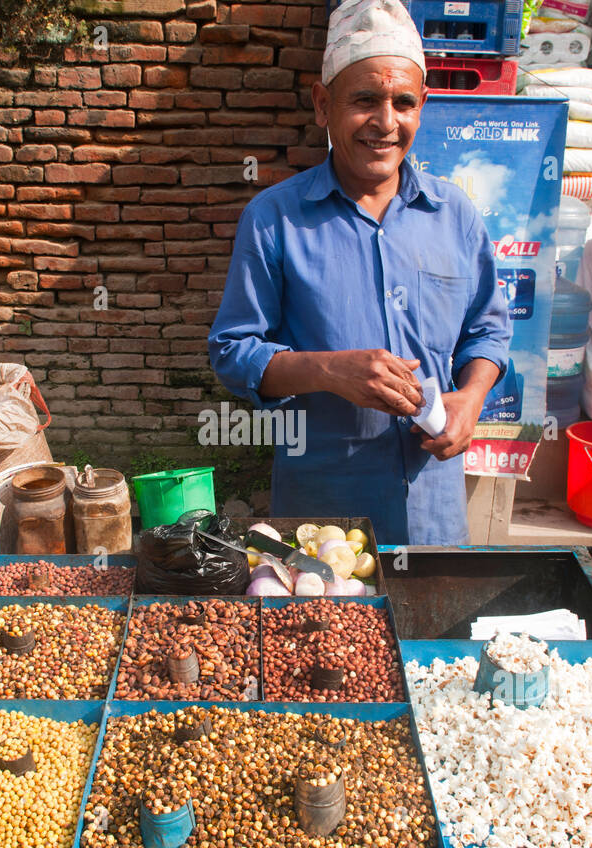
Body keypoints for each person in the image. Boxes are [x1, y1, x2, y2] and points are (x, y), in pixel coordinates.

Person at [207, 0, 512, 545]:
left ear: (423, 106)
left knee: (431, 627)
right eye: (364, 100)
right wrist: (328, 371)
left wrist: (471, 398)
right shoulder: (275, 218)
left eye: (403, 102)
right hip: (324, 517)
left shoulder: (455, 215)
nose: (386, 123)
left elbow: (487, 330)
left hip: (433, 508)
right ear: (323, 104)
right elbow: (233, 351)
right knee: (324, 631)